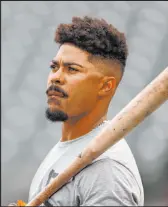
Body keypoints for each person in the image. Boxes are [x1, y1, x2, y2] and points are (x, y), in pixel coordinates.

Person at [15, 16, 144, 206]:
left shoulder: (107, 171)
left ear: (106, 86)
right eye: (54, 67)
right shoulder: (68, 147)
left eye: (72, 69)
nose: (56, 78)